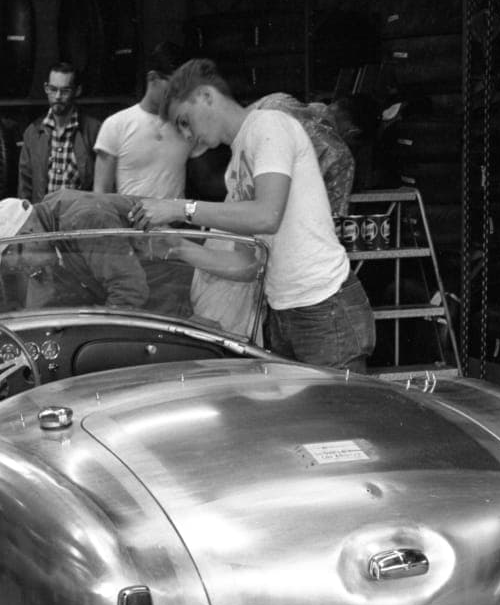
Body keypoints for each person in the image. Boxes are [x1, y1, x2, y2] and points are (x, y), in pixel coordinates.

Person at [129, 58, 375, 372]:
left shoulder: (267, 125)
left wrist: (179, 208)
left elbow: (266, 216)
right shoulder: (236, 169)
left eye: (185, 121)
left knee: (338, 420)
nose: (187, 136)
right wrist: (177, 247)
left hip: (324, 307)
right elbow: (247, 264)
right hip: (286, 313)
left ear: (206, 96)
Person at [0, 191, 149, 309]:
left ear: (28, 234)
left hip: (164, 298)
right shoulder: (46, 233)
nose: (26, 270)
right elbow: (40, 309)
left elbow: (130, 291)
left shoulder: (85, 220)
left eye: (21, 263)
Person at [92, 42, 190, 199]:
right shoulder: (115, 124)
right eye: (173, 87)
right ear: (153, 78)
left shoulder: (186, 126)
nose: (177, 94)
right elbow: (100, 192)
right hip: (129, 220)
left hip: (174, 220)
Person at [18, 61, 102, 203]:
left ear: (77, 91)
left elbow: (102, 184)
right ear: (46, 88)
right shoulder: (33, 133)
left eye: (65, 91)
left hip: (80, 219)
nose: (57, 96)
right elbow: (25, 185)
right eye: (53, 89)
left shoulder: (94, 130)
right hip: (43, 218)